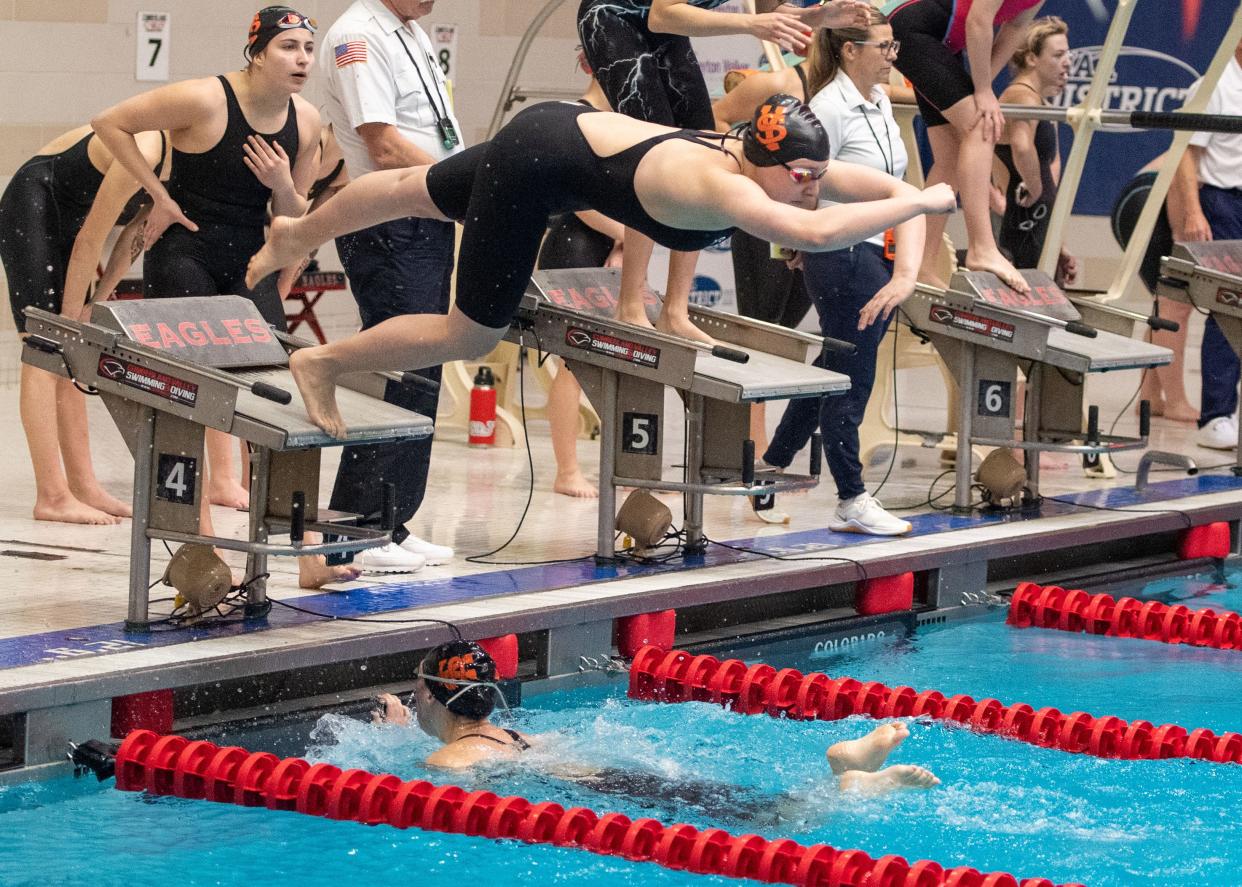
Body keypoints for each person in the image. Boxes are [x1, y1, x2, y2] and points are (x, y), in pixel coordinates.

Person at [245, 96, 958, 440]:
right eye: (803, 175)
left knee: (414, 189)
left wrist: (908, 257)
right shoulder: (728, 186)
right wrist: (926, 201)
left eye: (815, 175)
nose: (811, 185)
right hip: (538, 171)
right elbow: (817, 226)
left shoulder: (761, 165)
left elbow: (899, 194)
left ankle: (294, 230)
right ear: (768, 161)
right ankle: (325, 362)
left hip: (557, 132)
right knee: (467, 333)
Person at [91, 6, 322, 512]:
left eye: (308, 48)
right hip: (185, 249)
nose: (302, 59)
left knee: (270, 379)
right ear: (257, 54)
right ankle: (188, 513)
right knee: (187, 385)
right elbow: (110, 123)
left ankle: (261, 500)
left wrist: (282, 184)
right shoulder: (204, 98)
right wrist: (159, 195)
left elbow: (294, 220)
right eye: (288, 47)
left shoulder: (307, 121)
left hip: (250, 256)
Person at [579, 0, 873, 346]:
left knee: (703, 140)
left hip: (660, 24)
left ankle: (675, 310)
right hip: (614, 16)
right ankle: (629, 305)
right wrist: (750, 25)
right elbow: (662, 13)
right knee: (652, 145)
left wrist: (815, 17)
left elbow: (771, 11)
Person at [376, 640, 939, 795]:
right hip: (622, 777)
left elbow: (428, 790)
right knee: (756, 807)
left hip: (616, 797)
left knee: (773, 824)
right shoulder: (516, 735)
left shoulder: (449, 758)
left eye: (417, 689)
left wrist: (401, 744)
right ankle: (843, 771)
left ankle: (854, 783)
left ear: (429, 697)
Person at [759, 9, 924, 537]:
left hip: (875, 251)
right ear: (850, 50)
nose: (892, 56)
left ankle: (772, 466)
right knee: (853, 377)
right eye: (884, 47)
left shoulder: (877, 103)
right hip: (844, 252)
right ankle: (852, 498)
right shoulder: (828, 106)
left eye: (894, 47)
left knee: (835, 362)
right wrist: (798, 236)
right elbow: (796, 173)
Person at [315, 0, 461, 573]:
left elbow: (433, 132)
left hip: (426, 215)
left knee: (423, 370)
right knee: (397, 369)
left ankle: (391, 521)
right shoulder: (358, 35)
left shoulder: (412, 31)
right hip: (389, 223)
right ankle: (353, 531)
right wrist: (462, 189)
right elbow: (385, 146)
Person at [0, 127, 166, 525]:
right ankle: (52, 496)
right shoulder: (145, 147)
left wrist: (98, 301)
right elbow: (91, 239)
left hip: (70, 224)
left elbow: (135, 235)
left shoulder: (189, 169)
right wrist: (74, 315)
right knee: (44, 349)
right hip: (32, 203)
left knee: (71, 354)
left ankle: (83, 486)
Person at [882, 0, 1045, 295]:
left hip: (941, 44)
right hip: (914, 28)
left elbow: (1017, 26)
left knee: (951, 155)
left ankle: (921, 265)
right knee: (983, 126)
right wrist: (982, 90)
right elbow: (979, 20)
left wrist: (980, 83)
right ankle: (982, 246)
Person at [712, 43, 816, 460]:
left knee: (784, 332)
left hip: (804, 223)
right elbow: (718, 116)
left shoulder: (846, 91)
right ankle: (752, 447)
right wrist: (739, 182)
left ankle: (747, 435)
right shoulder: (778, 82)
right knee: (761, 328)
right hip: (763, 218)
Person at [537, 53, 623, 499]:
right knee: (575, 364)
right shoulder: (576, 119)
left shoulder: (625, 120)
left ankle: (626, 467)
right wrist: (625, 238)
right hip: (576, 246)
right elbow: (578, 199)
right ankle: (566, 470)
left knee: (626, 364)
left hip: (610, 248)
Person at [1167, 38, 1242, 451]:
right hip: (1222, 200)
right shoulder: (1213, 84)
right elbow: (1184, 152)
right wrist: (1194, 212)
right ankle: (1217, 415)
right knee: (1229, 306)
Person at [1111, 154, 1195, 424]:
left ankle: (1150, 397)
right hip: (1152, 197)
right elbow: (1179, 169)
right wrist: (1180, 237)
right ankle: (1176, 401)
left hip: (1145, 197)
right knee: (1175, 305)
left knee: (1167, 306)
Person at [992, 15, 1077, 283]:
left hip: (1035, 223)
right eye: (1058, 55)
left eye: (1068, 55)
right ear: (1031, 59)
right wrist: (1034, 185)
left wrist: (1056, 240)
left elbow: (1050, 175)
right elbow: (1020, 145)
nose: (1067, 63)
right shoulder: (1022, 95)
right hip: (1020, 223)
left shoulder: (1039, 102)